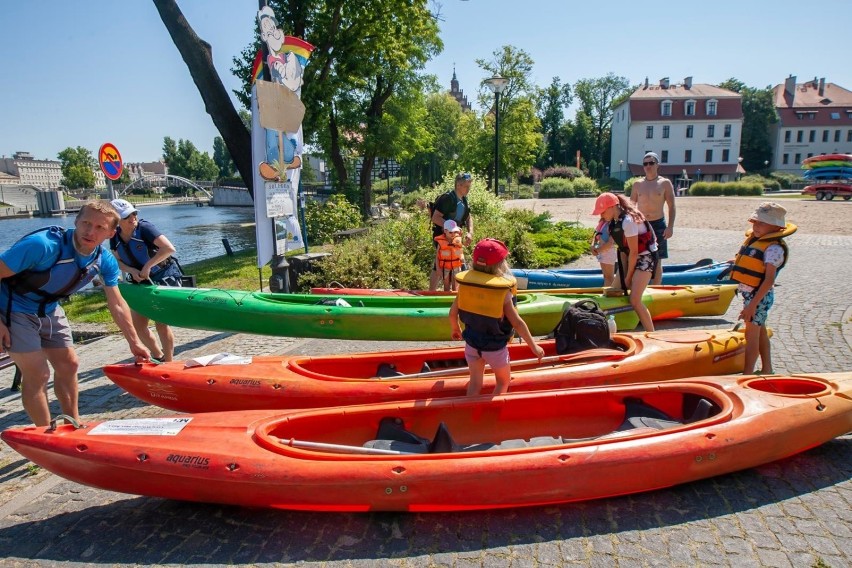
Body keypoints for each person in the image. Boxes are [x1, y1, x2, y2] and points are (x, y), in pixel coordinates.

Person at [0, 201, 150, 426]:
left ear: (111, 233)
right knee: (38, 374)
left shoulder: (103, 260)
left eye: (100, 227)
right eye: (86, 223)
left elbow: (117, 303)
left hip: (49, 308)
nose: (90, 231)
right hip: (13, 308)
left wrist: (134, 343)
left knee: (69, 365)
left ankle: (73, 424)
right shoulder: (42, 246)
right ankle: (46, 439)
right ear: (76, 222)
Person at [449, 238, 544, 396]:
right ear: (500, 265)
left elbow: (452, 313)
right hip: (495, 349)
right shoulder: (503, 293)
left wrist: (455, 329)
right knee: (502, 382)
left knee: (475, 382)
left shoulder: (466, 286)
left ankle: (469, 414)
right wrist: (534, 347)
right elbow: (518, 323)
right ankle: (493, 416)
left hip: (472, 345)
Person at [109, 199, 183, 362]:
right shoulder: (114, 237)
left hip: (163, 275)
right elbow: (117, 261)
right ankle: (158, 355)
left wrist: (148, 266)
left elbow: (169, 249)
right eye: (127, 215)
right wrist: (132, 271)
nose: (132, 217)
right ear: (116, 221)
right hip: (139, 280)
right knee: (138, 325)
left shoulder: (145, 229)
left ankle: (169, 362)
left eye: (134, 213)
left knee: (160, 322)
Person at [729, 202, 796, 375]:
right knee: (760, 333)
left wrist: (752, 306)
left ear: (776, 227)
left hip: (757, 297)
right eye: (755, 222)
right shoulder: (758, 241)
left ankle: (747, 374)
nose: (756, 226)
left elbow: (768, 281)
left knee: (751, 337)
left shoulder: (773, 248)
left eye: (762, 223)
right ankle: (767, 369)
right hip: (753, 296)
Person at [592, 192, 657, 331]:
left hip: (645, 258)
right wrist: (621, 274)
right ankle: (611, 326)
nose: (601, 216)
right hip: (629, 257)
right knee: (613, 292)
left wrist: (628, 277)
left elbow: (634, 252)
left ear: (611, 207)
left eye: (602, 212)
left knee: (634, 300)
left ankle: (652, 334)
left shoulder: (628, 221)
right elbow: (620, 248)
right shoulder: (613, 222)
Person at [630, 152, 675, 285]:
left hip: (658, 223)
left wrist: (670, 226)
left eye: (651, 163)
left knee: (658, 258)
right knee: (639, 255)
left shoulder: (665, 183)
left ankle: (656, 287)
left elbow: (672, 206)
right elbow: (631, 206)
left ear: (657, 165)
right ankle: (637, 285)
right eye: (645, 164)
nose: (648, 166)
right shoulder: (637, 184)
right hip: (642, 224)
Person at [429, 172, 474, 291]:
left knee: (457, 264)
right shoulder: (448, 198)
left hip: (456, 239)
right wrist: (451, 227)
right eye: (466, 186)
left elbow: (469, 217)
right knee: (439, 265)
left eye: (469, 186)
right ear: (458, 185)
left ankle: (454, 293)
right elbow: (435, 217)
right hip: (443, 237)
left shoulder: (464, 200)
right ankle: (430, 294)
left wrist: (470, 232)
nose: (468, 189)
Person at [434, 219, 466, 292]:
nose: (453, 234)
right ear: (445, 231)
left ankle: (455, 301)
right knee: (446, 286)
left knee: (456, 286)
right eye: (450, 232)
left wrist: (463, 263)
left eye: (455, 232)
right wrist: (438, 268)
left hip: (456, 265)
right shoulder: (441, 242)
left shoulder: (458, 240)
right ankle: (446, 300)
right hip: (445, 265)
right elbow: (437, 256)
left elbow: (460, 253)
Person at [591, 216, 617, 287]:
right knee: (606, 276)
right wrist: (593, 247)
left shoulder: (613, 223)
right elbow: (596, 235)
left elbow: (610, 243)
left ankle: (609, 293)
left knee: (609, 277)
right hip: (602, 252)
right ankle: (606, 292)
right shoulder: (603, 222)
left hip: (608, 252)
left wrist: (598, 250)